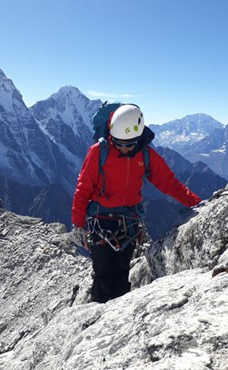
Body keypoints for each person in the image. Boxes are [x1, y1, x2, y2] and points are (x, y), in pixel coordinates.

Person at [72, 104, 201, 303]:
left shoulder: (146, 154)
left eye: (129, 144)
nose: (124, 148)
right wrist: (78, 224)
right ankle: (98, 319)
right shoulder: (98, 152)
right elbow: (83, 189)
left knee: (122, 274)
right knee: (103, 275)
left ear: (139, 139)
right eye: (119, 143)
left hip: (127, 224)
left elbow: (169, 183)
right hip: (102, 223)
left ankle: (117, 318)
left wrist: (198, 203)